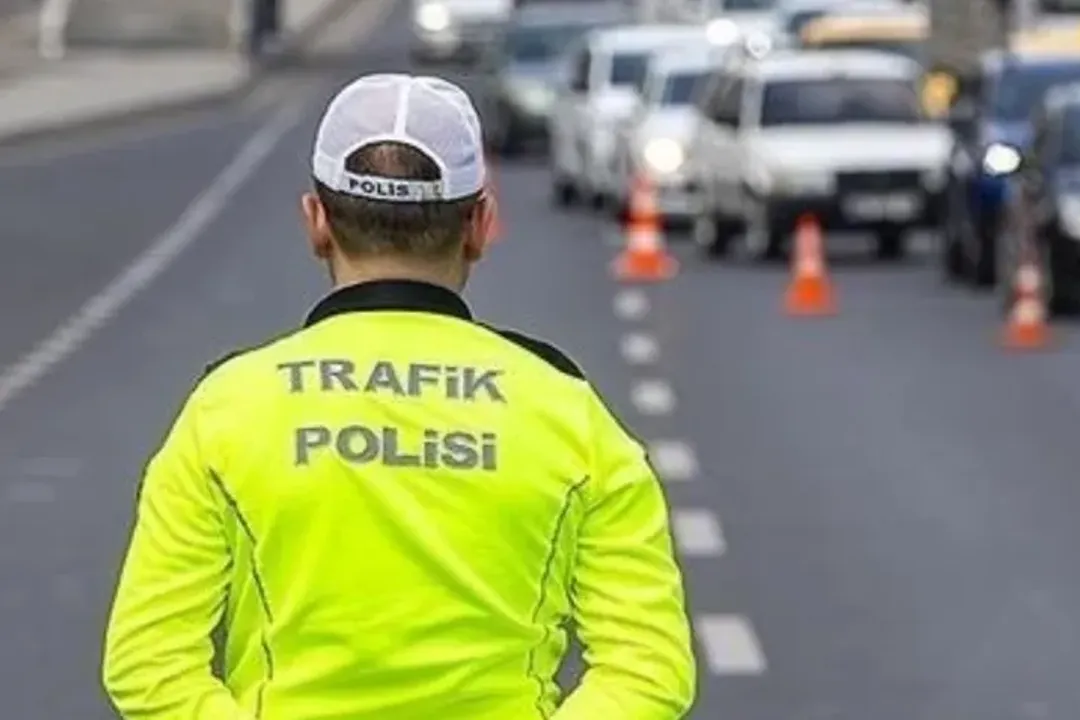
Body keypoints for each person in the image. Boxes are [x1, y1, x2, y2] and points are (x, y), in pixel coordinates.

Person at [101, 73, 697, 719]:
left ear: (317, 222)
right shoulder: (568, 411)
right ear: (480, 225)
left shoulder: (227, 408)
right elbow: (647, 669)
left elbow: (147, 663)